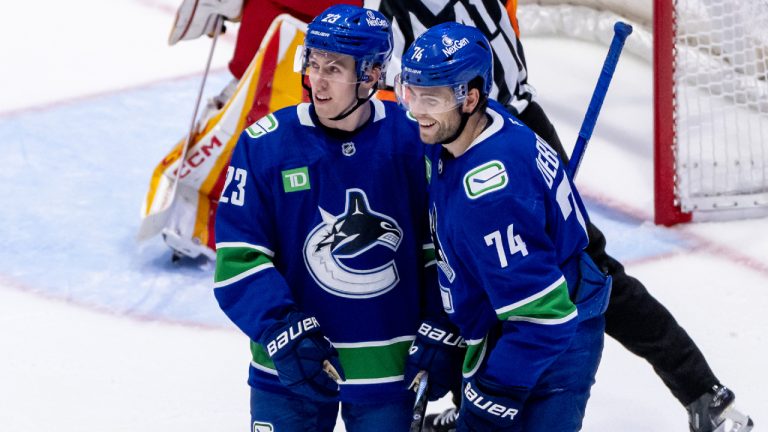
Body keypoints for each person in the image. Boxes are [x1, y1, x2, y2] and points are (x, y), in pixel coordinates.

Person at [164, 1, 753, 430]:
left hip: (489, 126)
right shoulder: (377, 35)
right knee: (474, 266)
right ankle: (480, 377)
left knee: (577, 279)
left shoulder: (447, 89)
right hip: (447, 122)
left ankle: (700, 391)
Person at [212, 5, 443, 431]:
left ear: (372, 75)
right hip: (288, 366)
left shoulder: (413, 141)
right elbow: (238, 260)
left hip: (389, 368)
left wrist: (445, 323)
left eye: (333, 68)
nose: (316, 80)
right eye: (313, 63)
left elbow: (441, 248)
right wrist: (280, 329)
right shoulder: (265, 145)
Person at [397, 22, 611, 431]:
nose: (416, 110)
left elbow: (546, 318)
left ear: (470, 98)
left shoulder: (492, 193)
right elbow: (467, 256)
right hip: (513, 320)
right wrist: (449, 326)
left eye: (432, 98)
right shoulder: (474, 126)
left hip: (556, 342)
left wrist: (496, 392)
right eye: (412, 92)